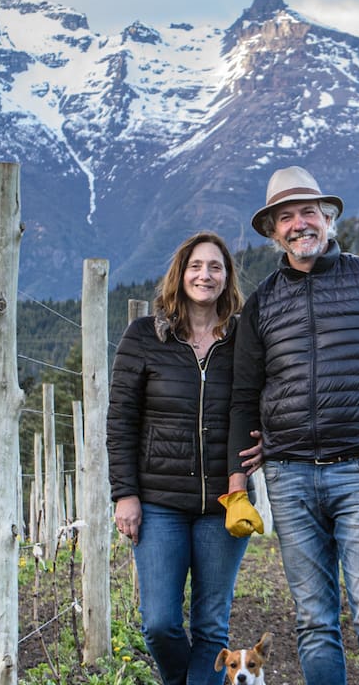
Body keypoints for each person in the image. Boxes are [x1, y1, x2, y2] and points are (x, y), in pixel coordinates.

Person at [223, 166, 359, 685]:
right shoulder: (261, 304)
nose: (299, 224)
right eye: (285, 218)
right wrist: (236, 488)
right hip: (289, 476)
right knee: (313, 620)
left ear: (328, 218)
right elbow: (244, 398)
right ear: (273, 231)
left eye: (308, 212)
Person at [107, 230, 259, 685]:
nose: (204, 275)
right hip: (159, 503)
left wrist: (268, 439)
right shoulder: (144, 337)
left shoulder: (244, 339)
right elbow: (121, 420)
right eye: (196, 266)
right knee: (159, 622)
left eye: (215, 267)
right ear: (180, 274)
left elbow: (264, 402)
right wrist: (125, 494)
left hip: (225, 504)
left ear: (227, 277)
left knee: (211, 626)